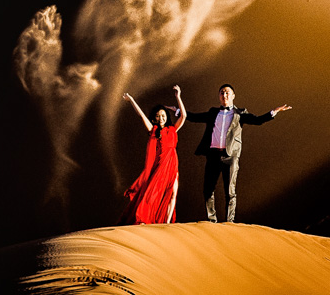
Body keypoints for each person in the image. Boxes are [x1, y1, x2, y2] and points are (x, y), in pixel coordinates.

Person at [187, 83, 292, 223]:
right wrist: (178, 110)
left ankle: (229, 222)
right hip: (213, 155)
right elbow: (194, 117)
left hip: (230, 157)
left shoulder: (240, 113)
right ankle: (211, 220)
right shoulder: (213, 112)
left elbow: (257, 120)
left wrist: (274, 112)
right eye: (222, 93)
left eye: (227, 93)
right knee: (208, 190)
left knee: (230, 192)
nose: (224, 95)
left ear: (233, 96)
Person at [119, 84, 187, 224]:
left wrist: (178, 97)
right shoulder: (154, 130)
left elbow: (184, 115)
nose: (161, 118)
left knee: (173, 194)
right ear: (155, 119)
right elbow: (141, 115)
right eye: (158, 116)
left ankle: (167, 223)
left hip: (172, 166)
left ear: (166, 117)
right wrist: (131, 100)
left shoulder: (173, 130)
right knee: (151, 194)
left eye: (163, 115)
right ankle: (143, 218)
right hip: (160, 167)